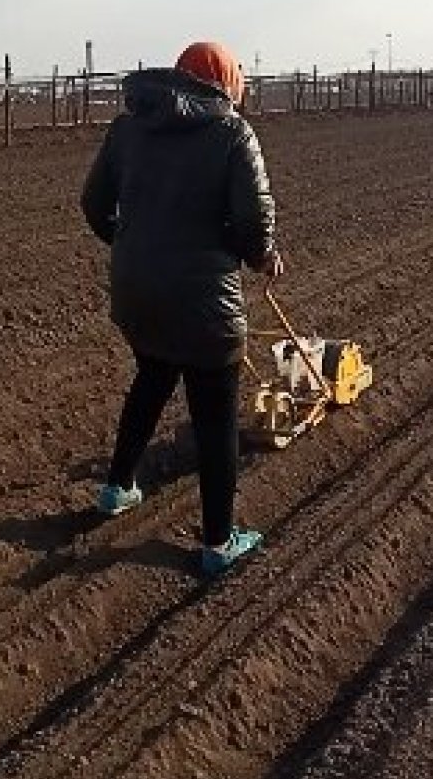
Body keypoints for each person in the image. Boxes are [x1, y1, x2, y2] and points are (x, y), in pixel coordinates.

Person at [80, 40, 282, 576]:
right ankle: (219, 542)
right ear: (228, 84)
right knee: (215, 416)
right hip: (203, 301)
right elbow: (255, 223)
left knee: (152, 372)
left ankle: (117, 487)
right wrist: (262, 259)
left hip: (136, 291)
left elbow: (93, 205)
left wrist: (131, 246)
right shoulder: (232, 132)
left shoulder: (130, 126)